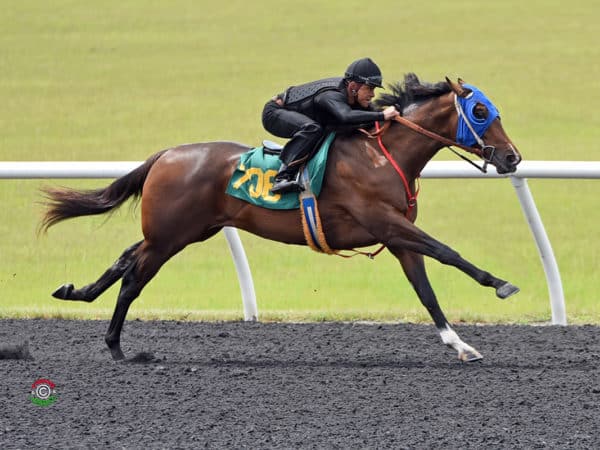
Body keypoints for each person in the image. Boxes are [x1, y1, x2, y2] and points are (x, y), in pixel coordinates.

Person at [262, 57, 400, 194]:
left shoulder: (352, 95)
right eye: (369, 89)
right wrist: (382, 115)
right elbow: (346, 116)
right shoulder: (330, 95)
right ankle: (282, 178)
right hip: (274, 113)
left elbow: (370, 116)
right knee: (312, 129)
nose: (372, 95)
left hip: (301, 116)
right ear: (353, 87)